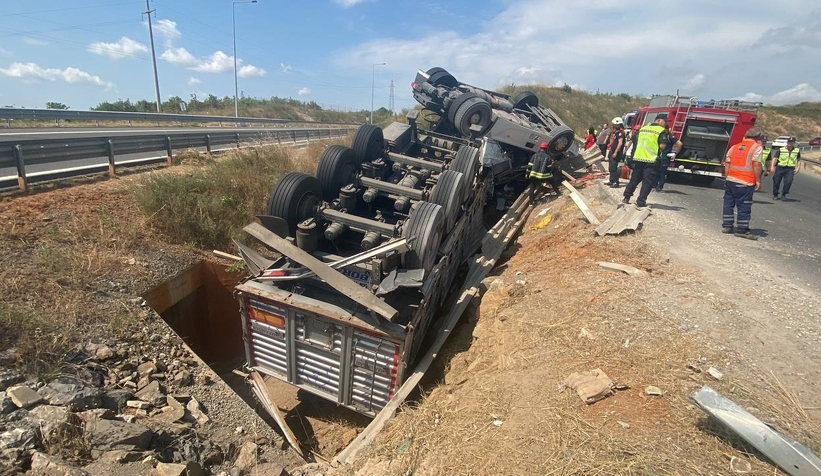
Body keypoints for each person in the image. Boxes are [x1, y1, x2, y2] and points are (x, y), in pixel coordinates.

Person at [622, 113, 682, 207]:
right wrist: (673, 152)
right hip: (651, 160)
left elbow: (635, 141)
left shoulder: (643, 129)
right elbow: (664, 146)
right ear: (659, 120)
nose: (666, 124)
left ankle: (626, 197)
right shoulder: (661, 131)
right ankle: (641, 201)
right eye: (665, 121)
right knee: (647, 182)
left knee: (634, 179)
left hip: (638, 158)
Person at [721, 127, 763, 240]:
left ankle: (727, 226)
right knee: (744, 206)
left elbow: (727, 164)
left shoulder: (734, 147)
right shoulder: (756, 147)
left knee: (728, 204)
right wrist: (758, 180)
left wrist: (727, 178)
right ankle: (742, 230)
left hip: (731, 180)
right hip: (745, 182)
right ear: (758, 137)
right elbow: (756, 165)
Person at [770, 136, 801, 200]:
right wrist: (772, 166)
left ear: (794, 143)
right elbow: (775, 158)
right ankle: (775, 194)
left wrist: (798, 168)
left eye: (791, 142)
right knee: (776, 181)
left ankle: (784, 194)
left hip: (790, 169)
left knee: (788, 182)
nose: (789, 143)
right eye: (788, 142)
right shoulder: (781, 149)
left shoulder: (797, 151)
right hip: (780, 167)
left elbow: (799, 160)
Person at [654, 124, 676, 192]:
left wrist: (675, 153)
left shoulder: (669, 136)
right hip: (659, 157)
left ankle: (659, 187)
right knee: (656, 172)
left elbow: (679, 144)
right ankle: (655, 185)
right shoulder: (661, 135)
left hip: (665, 157)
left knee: (662, 173)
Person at [606, 117, 626, 188]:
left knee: (613, 168)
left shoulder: (621, 134)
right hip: (611, 152)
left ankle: (615, 182)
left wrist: (616, 152)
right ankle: (611, 180)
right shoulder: (616, 133)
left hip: (616, 153)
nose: (613, 127)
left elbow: (620, 143)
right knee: (610, 167)